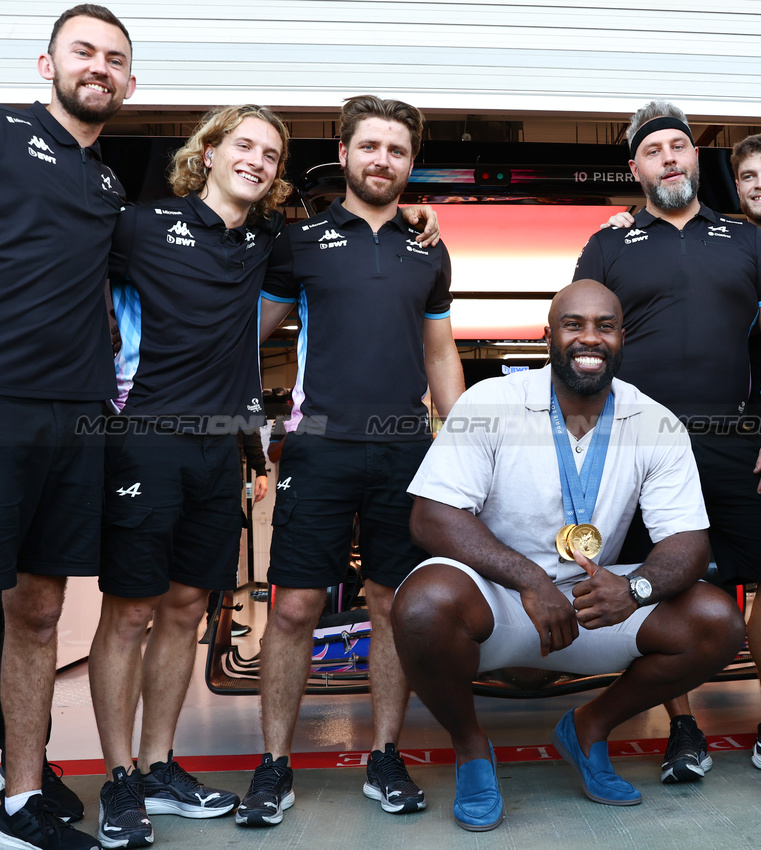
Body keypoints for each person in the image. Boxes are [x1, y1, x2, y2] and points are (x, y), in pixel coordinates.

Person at [391, 280, 746, 830]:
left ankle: (588, 728)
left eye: (604, 326)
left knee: (716, 620)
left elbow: (688, 543)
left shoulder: (654, 421)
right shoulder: (491, 403)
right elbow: (431, 517)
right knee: (422, 605)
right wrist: (530, 581)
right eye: (574, 324)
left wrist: (635, 589)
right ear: (548, 335)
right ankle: (471, 749)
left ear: (622, 339)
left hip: (591, 605)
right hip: (501, 598)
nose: (590, 338)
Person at [574, 102, 761, 785]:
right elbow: (582, 340)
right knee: (653, 580)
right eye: (653, 149)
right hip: (638, 444)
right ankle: (680, 727)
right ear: (635, 168)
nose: (668, 158)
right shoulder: (608, 244)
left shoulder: (744, 240)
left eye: (678, 148)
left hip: (736, 437)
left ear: (695, 159)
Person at [238, 94, 466, 826]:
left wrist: (464, 439)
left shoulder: (427, 246)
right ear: (343, 154)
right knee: (296, 606)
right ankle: (274, 764)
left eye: (397, 151)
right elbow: (250, 331)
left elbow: (439, 350)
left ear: (409, 163)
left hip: (406, 450)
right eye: (370, 147)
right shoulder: (298, 242)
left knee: (392, 609)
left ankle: (385, 755)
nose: (382, 161)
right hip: (321, 446)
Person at [84, 104, 294, 848]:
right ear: (207, 152)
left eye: (270, 153)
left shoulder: (267, 241)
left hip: (217, 451)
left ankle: (156, 768)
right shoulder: (141, 225)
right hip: (144, 441)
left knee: (183, 611)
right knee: (130, 612)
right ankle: (115, 781)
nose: (257, 160)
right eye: (244, 144)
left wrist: (419, 215)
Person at [0, 6, 134, 848]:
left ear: (129, 82)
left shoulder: (109, 184)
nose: (100, 67)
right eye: (83, 51)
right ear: (47, 65)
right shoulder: (5, 134)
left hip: (78, 415)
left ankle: (21, 795)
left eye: (115, 59)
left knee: (41, 611)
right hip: (3, 401)